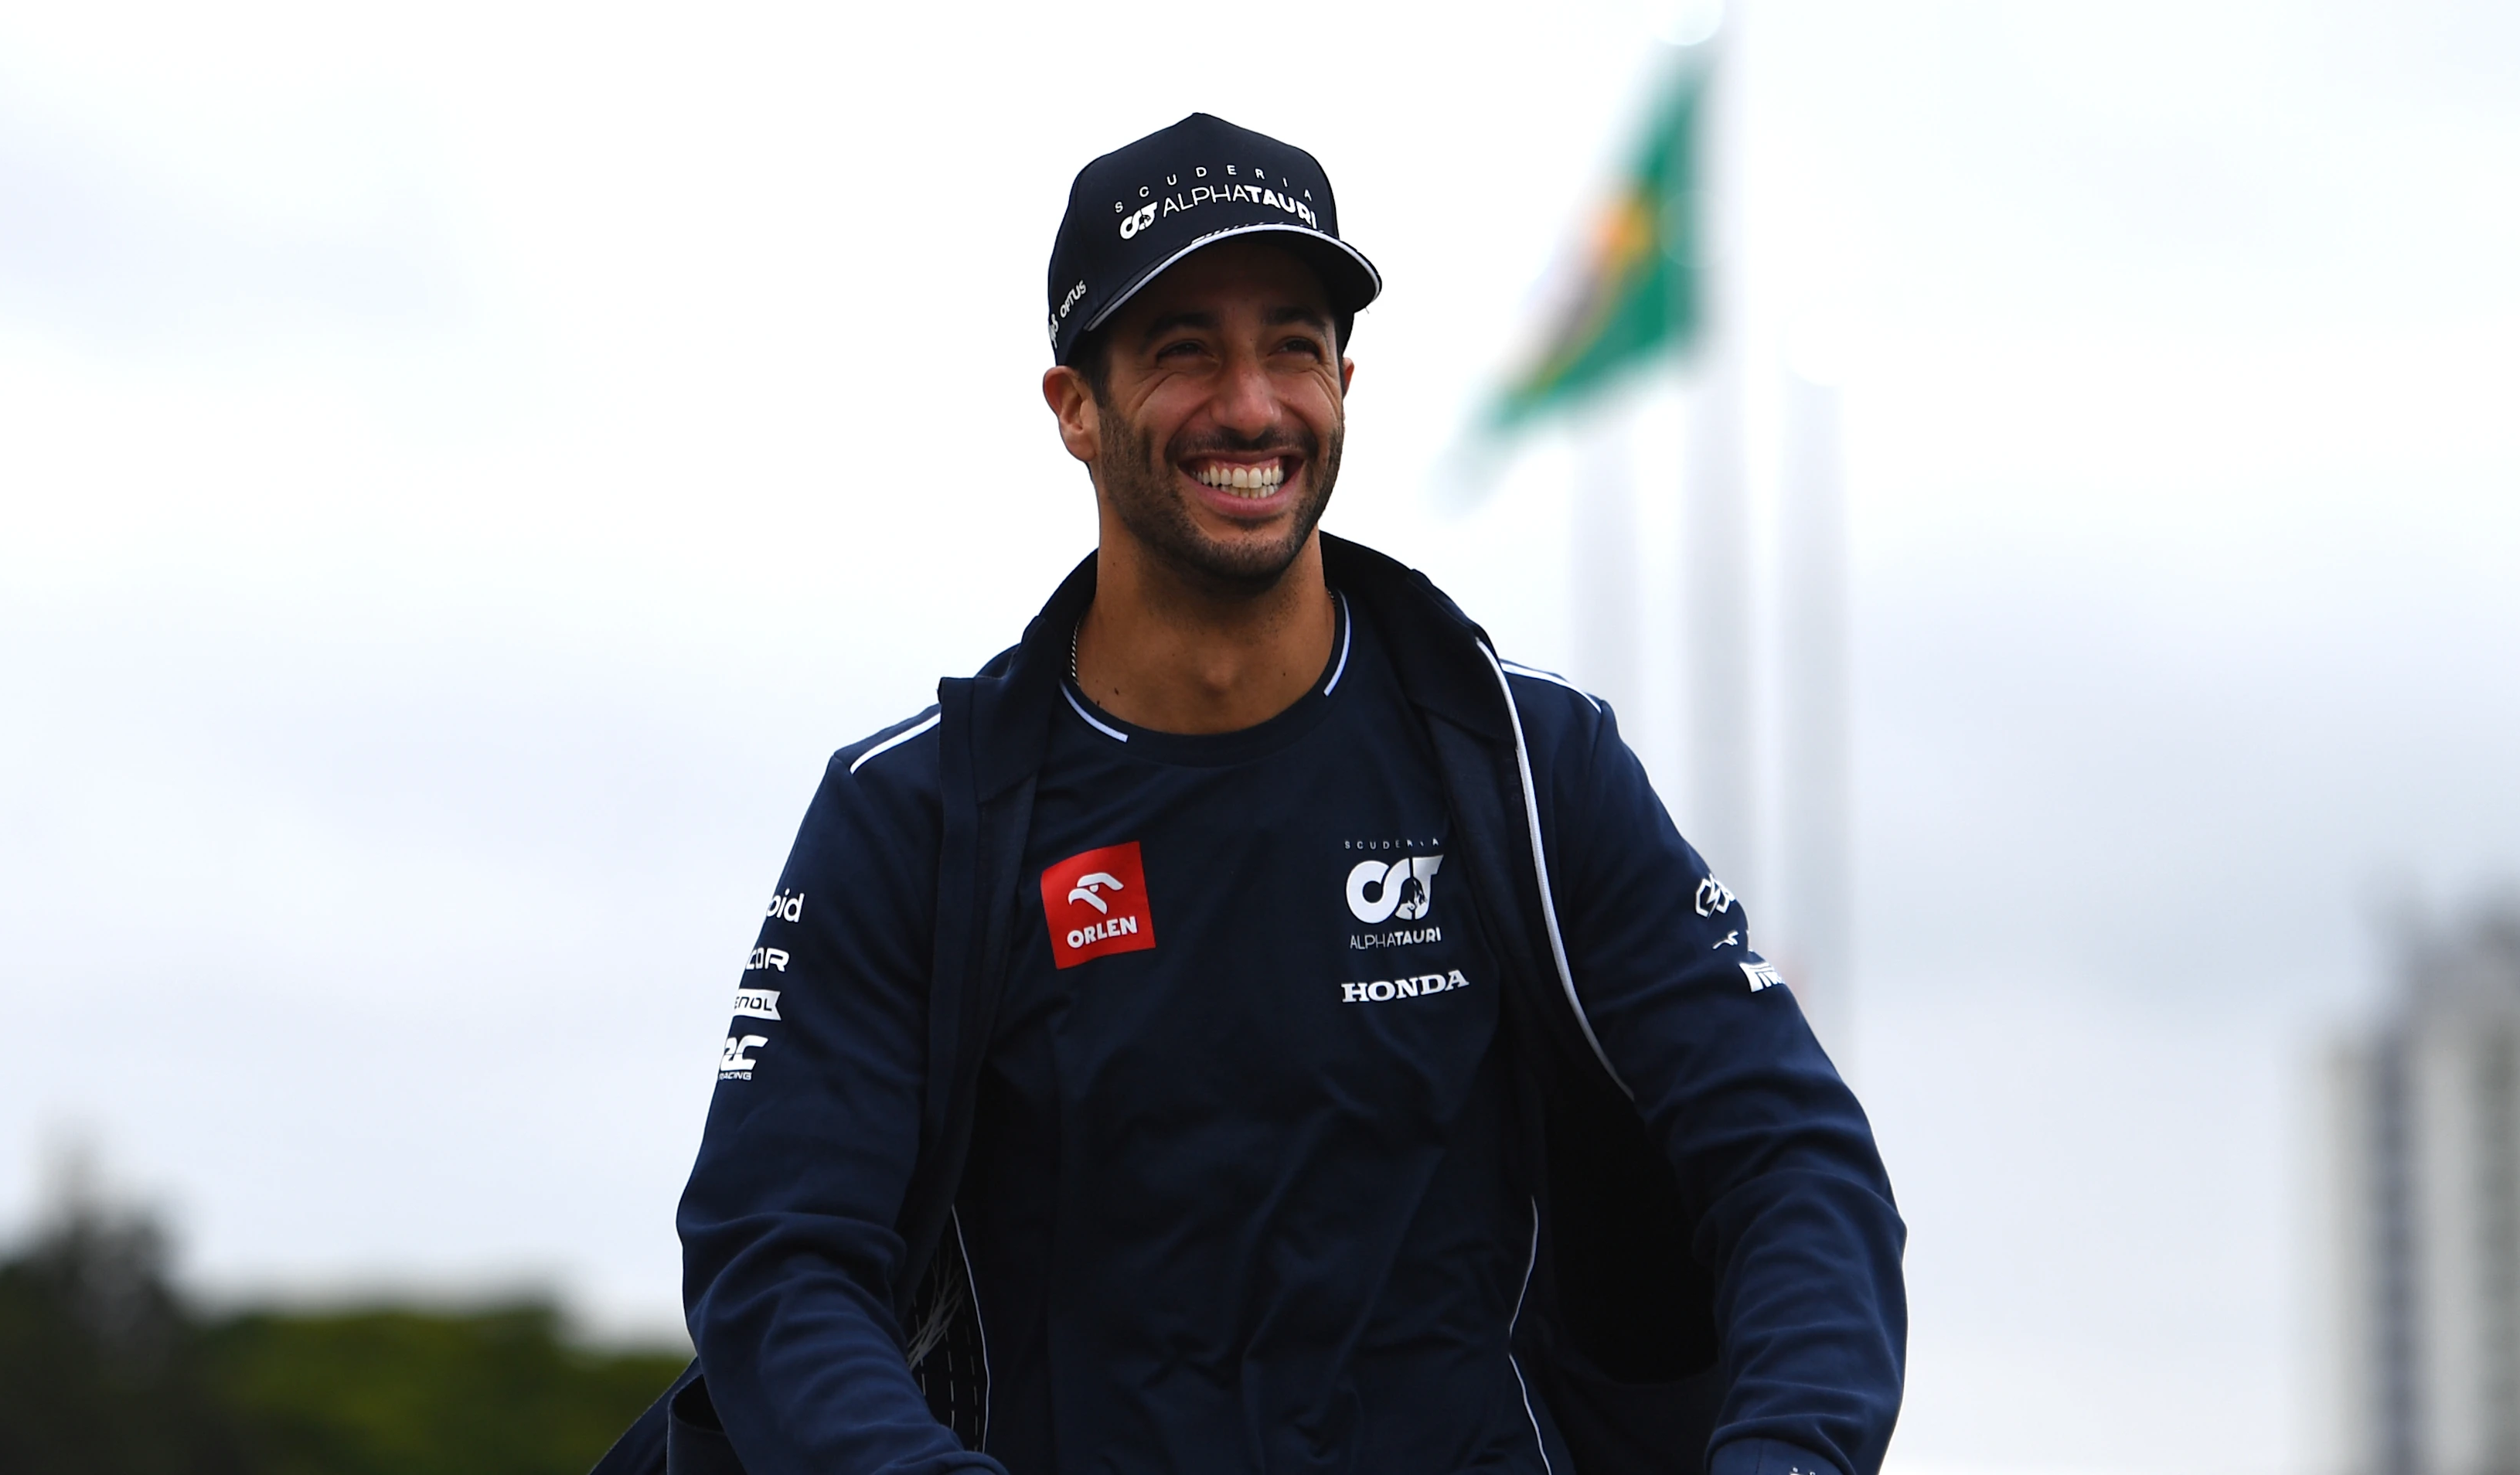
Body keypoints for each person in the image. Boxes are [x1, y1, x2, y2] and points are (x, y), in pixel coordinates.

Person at [649, 113, 1905, 1475]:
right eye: (1185, 350)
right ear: (1074, 405)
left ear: (1346, 380)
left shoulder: (1527, 764)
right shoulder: (914, 817)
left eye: (1293, 346)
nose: (1250, 405)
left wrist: (1787, 1455)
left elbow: (1792, 1162)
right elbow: (777, 1261)